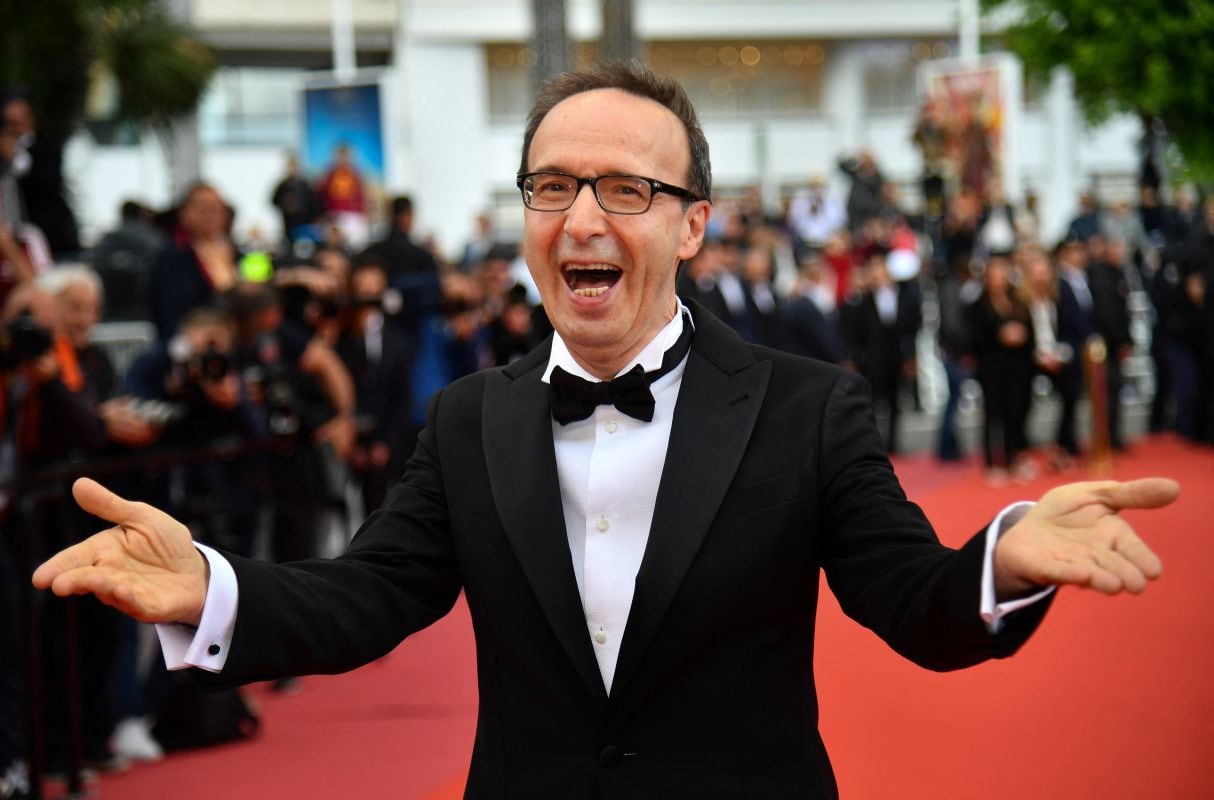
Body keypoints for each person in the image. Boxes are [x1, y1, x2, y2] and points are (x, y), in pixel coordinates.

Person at [33, 62, 1178, 798]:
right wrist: (209, 588)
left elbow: (911, 599)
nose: (581, 216)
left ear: (691, 227)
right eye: (551, 186)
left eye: (624, 189)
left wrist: (1005, 556)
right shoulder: (468, 415)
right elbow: (363, 596)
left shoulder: (803, 405)